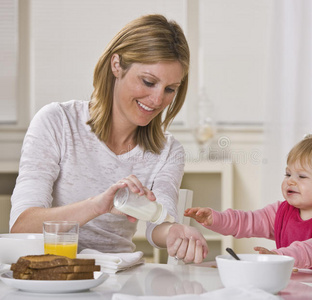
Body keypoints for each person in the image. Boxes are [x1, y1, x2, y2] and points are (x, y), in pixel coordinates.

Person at [10, 14, 208, 264]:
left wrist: (175, 231)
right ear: (117, 65)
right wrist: (97, 205)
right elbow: (22, 226)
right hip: (52, 277)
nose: (158, 100)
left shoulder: (167, 151)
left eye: (170, 89)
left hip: (116, 280)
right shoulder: (57, 123)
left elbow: (160, 222)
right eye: (148, 81)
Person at [185, 134, 312, 273]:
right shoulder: (281, 211)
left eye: (301, 176)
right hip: (306, 287)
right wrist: (216, 218)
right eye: (288, 174)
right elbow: (247, 221)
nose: (291, 181)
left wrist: (278, 257)